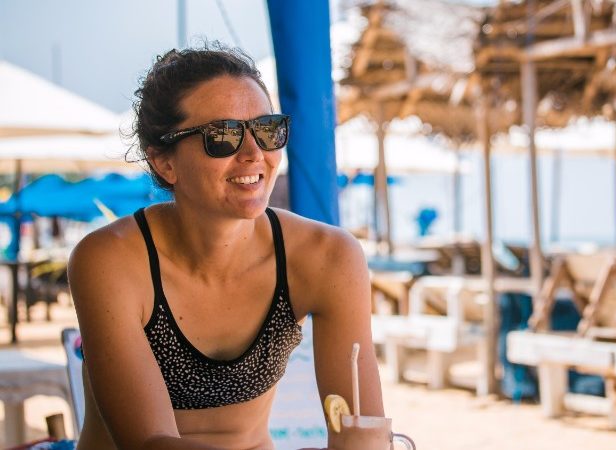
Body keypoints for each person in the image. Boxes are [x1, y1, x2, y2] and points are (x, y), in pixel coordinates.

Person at [68, 44, 383, 450]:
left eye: (267, 130)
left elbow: (363, 428)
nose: (254, 154)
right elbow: (148, 443)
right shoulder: (110, 260)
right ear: (165, 163)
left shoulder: (327, 257)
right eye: (222, 136)